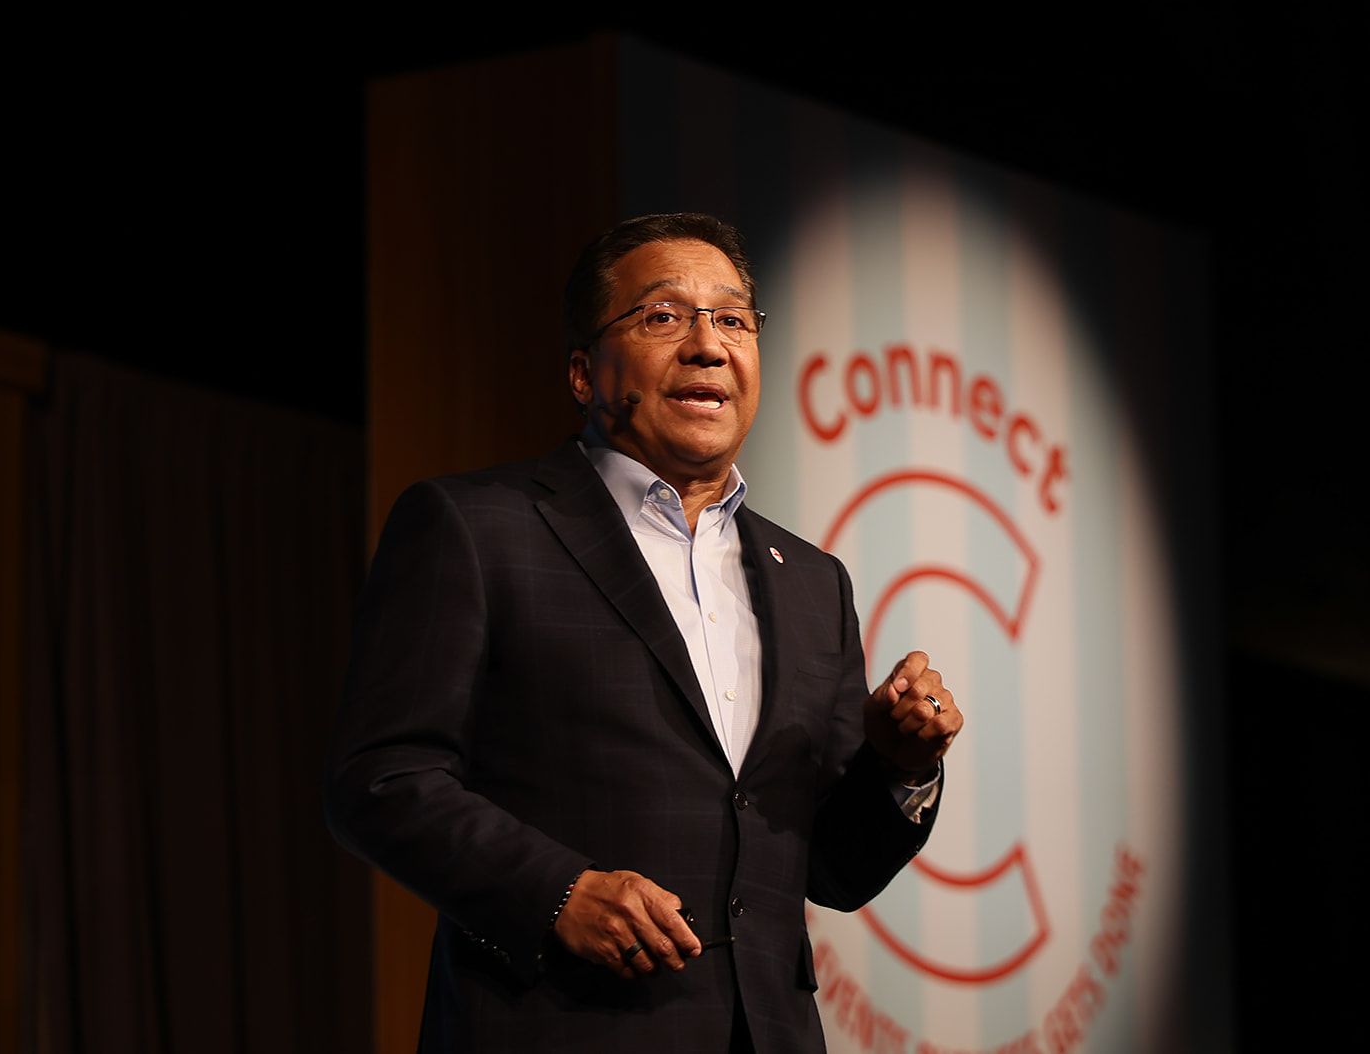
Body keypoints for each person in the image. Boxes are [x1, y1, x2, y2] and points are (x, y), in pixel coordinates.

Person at [325, 213, 964, 1052]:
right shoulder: (476, 528)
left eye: (733, 319)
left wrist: (898, 767)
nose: (707, 345)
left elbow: (829, 870)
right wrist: (558, 892)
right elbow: (381, 779)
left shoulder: (813, 582)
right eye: (664, 316)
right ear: (584, 373)